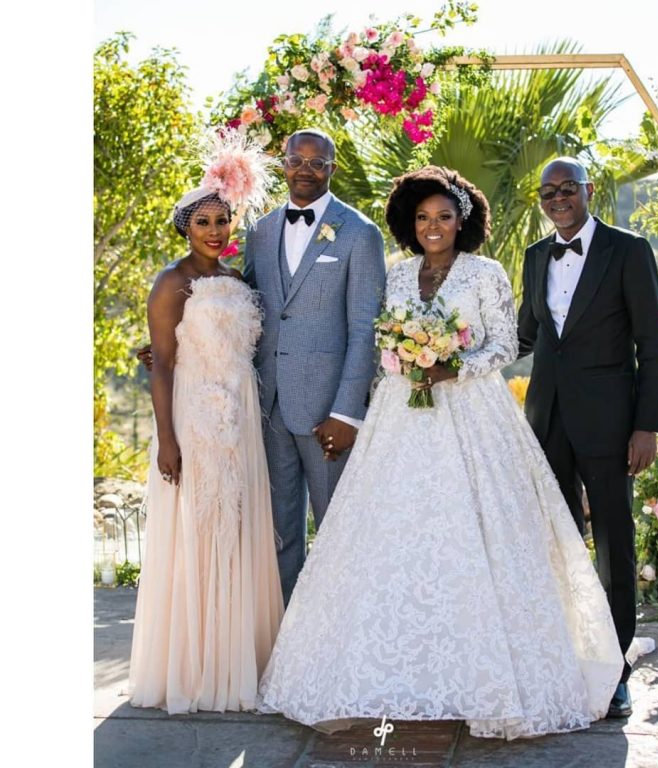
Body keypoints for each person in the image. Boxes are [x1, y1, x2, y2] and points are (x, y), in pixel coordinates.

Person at [255, 166, 624, 740]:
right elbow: (381, 338)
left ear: (462, 221)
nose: (433, 226)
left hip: (473, 415)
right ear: (411, 222)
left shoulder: (486, 272)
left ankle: (486, 678)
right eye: (424, 217)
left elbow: (505, 343)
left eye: (444, 217)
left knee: (474, 534)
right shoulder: (399, 275)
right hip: (400, 416)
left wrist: (453, 367)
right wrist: (403, 358)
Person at [128, 135, 284, 714]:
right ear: (185, 228)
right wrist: (168, 440)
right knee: (199, 528)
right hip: (194, 417)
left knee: (238, 528)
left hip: (242, 418)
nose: (215, 231)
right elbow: (163, 364)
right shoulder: (171, 282)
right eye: (203, 222)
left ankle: (238, 657)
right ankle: (196, 666)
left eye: (222, 220)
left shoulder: (241, 281)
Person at [516, 157, 658, 718]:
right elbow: (524, 335)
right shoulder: (535, 256)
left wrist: (646, 425)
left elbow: (652, 343)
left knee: (613, 544)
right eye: (548, 192)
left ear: (588, 190)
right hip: (547, 419)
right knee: (557, 541)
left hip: (610, 422)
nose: (558, 198)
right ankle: (566, 654)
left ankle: (616, 670)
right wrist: (453, 352)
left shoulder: (627, 250)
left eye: (567, 188)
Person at [243, 128, 387, 604]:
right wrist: (176, 334)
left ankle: (342, 633)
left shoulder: (360, 233)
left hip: (328, 412)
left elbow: (366, 328)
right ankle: (288, 635)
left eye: (317, 162)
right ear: (282, 163)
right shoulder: (260, 230)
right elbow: (245, 304)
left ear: (332, 168)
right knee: (279, 534)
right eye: (296, 160)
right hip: (269, 406)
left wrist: (347, 412)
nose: (305, 170)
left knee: (338, 529)